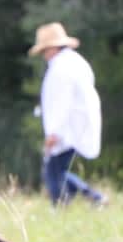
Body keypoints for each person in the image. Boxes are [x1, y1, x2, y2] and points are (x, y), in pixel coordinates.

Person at [29, 22, 107, 207]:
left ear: (54, 47)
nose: (44, 55)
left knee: (53, 172)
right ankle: (93, 198)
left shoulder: (60, 69)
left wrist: (53, 133)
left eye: (45, 50)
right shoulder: (74, 62)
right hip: (74, 126)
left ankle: (69, 205)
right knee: (59, 171)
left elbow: (59, 103)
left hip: (67, 129)